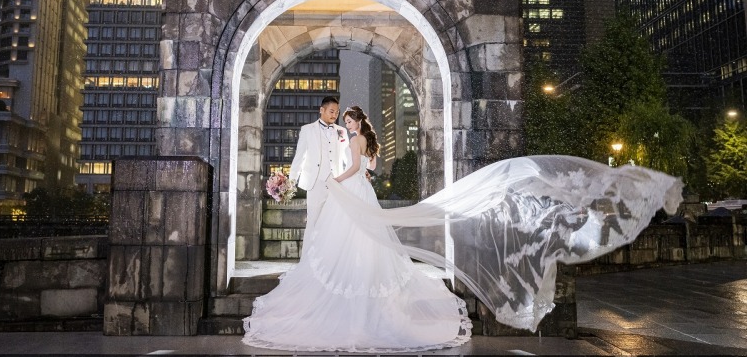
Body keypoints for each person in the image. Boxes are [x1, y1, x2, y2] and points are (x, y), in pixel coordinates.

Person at [244, 106, 683, 352]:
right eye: (346, 120)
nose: (348, 124)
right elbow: (370, 168)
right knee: (364, 244)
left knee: (355, 243)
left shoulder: (352, 141)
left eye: (351, 120)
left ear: (356, 123)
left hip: (350, 191)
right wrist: (342, 176)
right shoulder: (352, 139)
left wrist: (334, 181)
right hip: (359, 193)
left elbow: (357, 167)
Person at [288, 96, 350, 252]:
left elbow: (347, 158)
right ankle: (309, 260)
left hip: (337, 183)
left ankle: (330, 258)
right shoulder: (307, 130)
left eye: (337, 112)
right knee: (313, 221)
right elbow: (300, 156)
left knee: (334, 223)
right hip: (315, 183)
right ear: (321, 110)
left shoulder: (341, 131)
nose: (335, 115)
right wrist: (291, 181)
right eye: (331, 111)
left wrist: (361, 172)